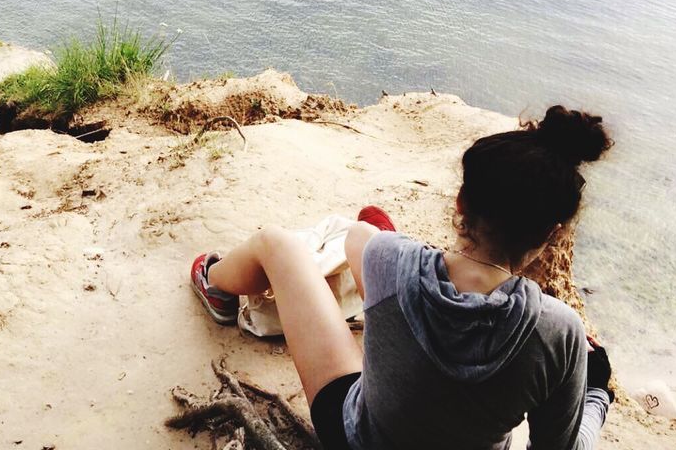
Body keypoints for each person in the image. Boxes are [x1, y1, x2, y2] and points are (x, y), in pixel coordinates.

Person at [189, 106, 616, 450]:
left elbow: (360, 236)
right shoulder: (560, 331)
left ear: (461, 202)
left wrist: (397, 247)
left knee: (278, 244)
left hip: (357, 437)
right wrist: (596, 394)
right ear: (552, 234)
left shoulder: (389, 258)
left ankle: (214, 284)